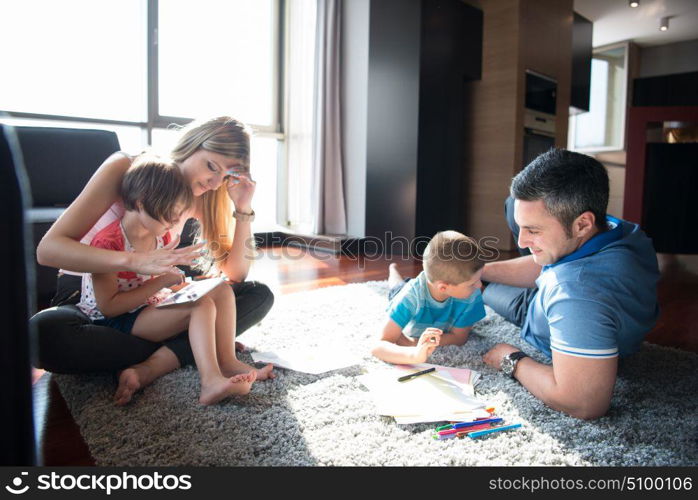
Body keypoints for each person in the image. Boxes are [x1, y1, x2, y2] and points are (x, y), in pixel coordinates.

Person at [31, 116, 275, 396]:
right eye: (211, 166)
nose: (214, 182)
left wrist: (243, 207)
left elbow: (236, 274)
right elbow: (48, 251)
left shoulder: (202, 195)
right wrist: (134, 260)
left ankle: (165, 357)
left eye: (225, 176)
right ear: (192, 145)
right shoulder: (128, 168)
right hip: (91, 298)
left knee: (256, 295)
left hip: (151, 298)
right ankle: (186, 346)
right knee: (44, 333)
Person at [76, 155, 272, 405]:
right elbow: (108, 307)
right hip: (115, 320)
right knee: (201, 307)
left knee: (221, 290)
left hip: (147, 305)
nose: (174, 222)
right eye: (170, 213)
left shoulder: (161, 236)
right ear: (140, 201)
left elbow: (166, 281)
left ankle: (228, 363)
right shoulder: (108, 243)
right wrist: (162, 283)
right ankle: (210, 382)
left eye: (178, 214)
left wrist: (186, 285)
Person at [480, 148, 660, 420]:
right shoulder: (617, 227)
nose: (520, 242)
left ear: (582, 224)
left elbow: (584, 403)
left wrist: (512, 360)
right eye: (523, 227)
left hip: (535, 312)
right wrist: (481, 268)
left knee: (477, 288)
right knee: (511, 205)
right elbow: (550, 263)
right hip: (570, 286)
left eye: (533, 230)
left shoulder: (576, 295)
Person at [371, 231, 486, 364]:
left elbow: (459, 338)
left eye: (479, 278)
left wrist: (413, 343)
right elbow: (379, 345)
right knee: (396, 287)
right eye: (472, 284)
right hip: (404, 291)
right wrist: (414, 355)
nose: (480, 285)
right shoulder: (409, 296)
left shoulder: (472, 294)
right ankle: (393, 270)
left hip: (428, 289)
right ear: (443, 287)